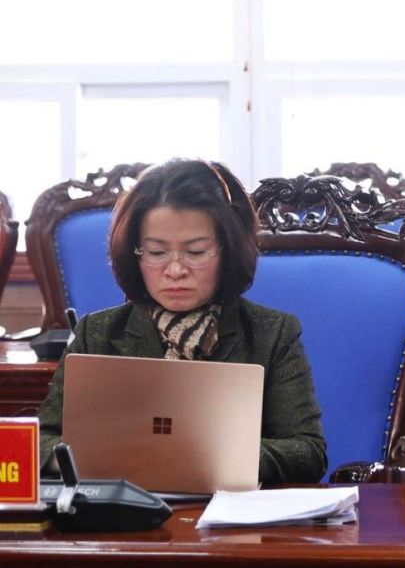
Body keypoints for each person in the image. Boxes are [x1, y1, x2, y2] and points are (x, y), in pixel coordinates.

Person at [37, 158, 327, 484]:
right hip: (122, 509)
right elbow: (40, 442)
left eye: (196, 252)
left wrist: (213, 456)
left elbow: (308, 453)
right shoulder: (97, 334)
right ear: (134, 254)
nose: (175, 270)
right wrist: (95, 456)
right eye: (157, 253)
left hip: (231, 510)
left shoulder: (271, 333)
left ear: (228, 251)